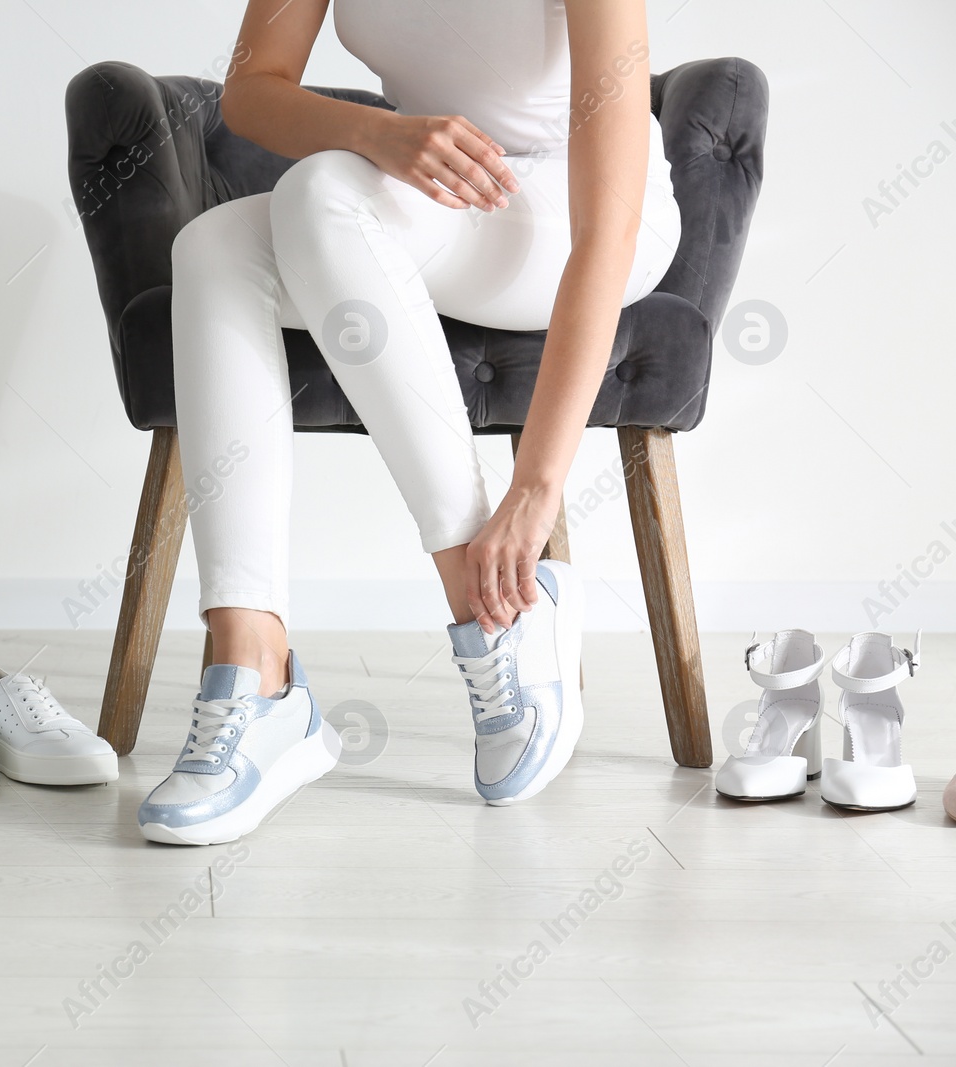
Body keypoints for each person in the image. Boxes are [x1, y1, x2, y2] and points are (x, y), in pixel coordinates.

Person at [137, 0, 681, 845]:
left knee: (321, 191)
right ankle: (256, 669)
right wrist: (376, 132)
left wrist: (535, 492)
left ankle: (495, 605)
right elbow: (251, 90)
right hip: (440, 185)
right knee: (213, 246)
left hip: (587, 215)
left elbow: (603, 232)